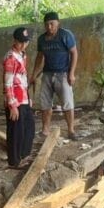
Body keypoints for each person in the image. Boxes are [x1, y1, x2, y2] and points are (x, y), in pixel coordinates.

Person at [29, 11, 78, 140]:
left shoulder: (65, 35)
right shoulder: (42, 39)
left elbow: (74, 53)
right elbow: (39, 58)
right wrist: (34, 75)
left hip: (63, 74)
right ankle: (45, 130)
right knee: (45, 103)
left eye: (52, 24)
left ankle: (71, 130)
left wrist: (71, 73)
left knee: (67, 103)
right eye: (47, 24)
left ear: (58, 23)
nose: (49, 27)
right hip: (47, 74)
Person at [3, 27, 35, 169]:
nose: (23, 45)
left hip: (23, 97)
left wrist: (28, 97)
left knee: (29, 128)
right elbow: (8, 83)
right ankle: (14, 161)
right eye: (20, 42)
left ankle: (23, 155)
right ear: (14, 41)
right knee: (15, 132)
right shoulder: (10, 58)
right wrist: (12, 105)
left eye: (26, 42)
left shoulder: (22, 54)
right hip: (15, 100)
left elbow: (23, 78)